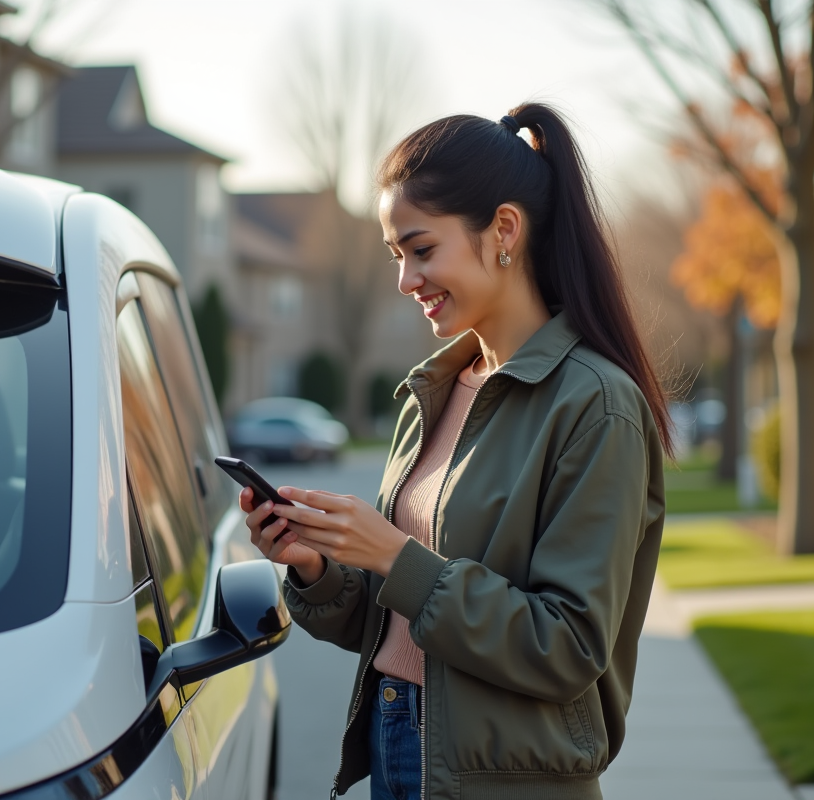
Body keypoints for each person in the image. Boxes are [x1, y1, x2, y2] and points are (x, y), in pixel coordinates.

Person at [240, 103, 671, 800]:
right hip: (400, 743)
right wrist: (317, 566)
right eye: (396, 256)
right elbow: (404, 622)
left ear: (503, 230)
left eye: (422, 249)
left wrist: (391, 554)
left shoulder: (594, 404)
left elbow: (567, 647)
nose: (406, 280)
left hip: (501, 783)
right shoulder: (436, 392)